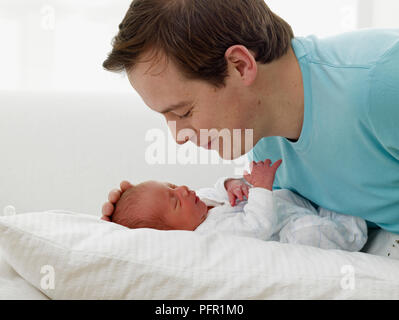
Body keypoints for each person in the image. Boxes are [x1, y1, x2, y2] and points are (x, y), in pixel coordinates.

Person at [101, 0, 399, 235]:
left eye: (183, 112)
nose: (178, 137)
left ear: (240, 66)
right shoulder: (262, 133)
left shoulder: (382, 82)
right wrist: (138, 228)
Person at [105, 159, 367, 252]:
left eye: (172, 186)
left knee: (313, 191)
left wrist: (230, 184)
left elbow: (216, 188)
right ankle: (351, 227)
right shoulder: (210, 235)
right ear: (176, 236)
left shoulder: (200, 206)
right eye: (174, 200)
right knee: (307, 234)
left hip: (292, 203)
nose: (183, 190)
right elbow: (258, 226)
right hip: (292, 224)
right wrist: (262, 187)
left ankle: (336, 197)